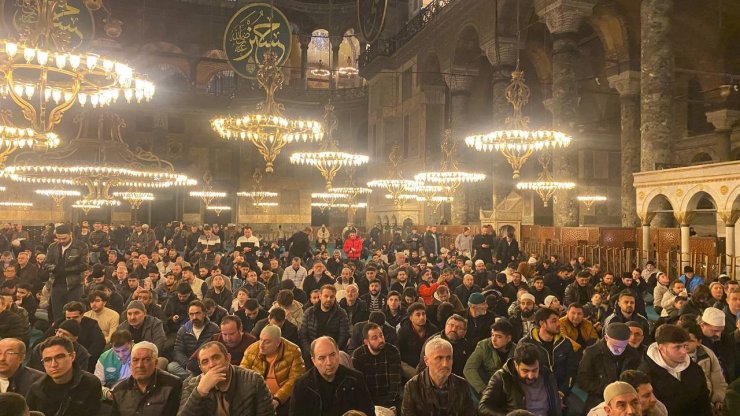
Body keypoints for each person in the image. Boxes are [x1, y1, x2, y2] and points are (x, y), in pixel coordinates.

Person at [179, 341, 274, 416]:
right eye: (205, 362)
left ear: (228, 359)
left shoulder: (254, 380)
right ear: (201, 368)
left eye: (216, 358)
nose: (211, 365)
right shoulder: (190, 385)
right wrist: (200, 392)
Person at [290, 336, 375, 416]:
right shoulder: (302, 386)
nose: (329, 362)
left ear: (338, 353)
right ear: (314, 361)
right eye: (322, 358)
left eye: (332, 355)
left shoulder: (356, 379)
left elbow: (369, 413)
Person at [638, 324, 712, 416]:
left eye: (685, 346)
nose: (684, 351)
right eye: (677, 347)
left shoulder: (695, 369)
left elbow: (704, 403)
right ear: (661, 348)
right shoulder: (645, 374)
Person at [478, 342, 562, 415]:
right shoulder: (502, 377)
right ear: (515, 365)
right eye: (525, 371)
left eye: (534, 370)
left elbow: (556, 408)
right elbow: (483, 408)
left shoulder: (547, 375)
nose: (531, 376)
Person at [240, 324, 305, 416]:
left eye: (267, 342)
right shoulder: (251, 350)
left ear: (278, 342)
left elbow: (296, 379)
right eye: (261, 339)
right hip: (257, 396)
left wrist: (278, 399)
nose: (261, 345)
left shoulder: (293, 351)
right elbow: (242, 376)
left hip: (284, 399)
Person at [401, 336, 477, 415]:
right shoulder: (412, 386)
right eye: (439, 358)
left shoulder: (462, 385)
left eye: (448, 358)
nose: (445, 364)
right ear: (426, 361)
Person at [27, 336, 102, 416]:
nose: (54, 364)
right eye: (47, 360)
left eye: (59, 357)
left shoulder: (90, 383)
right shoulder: (36, 388)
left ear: (72, 357)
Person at [578, 323, 642, 410]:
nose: (619, 350)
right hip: (599, 398)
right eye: (615, 346)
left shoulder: (633, 354)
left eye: (622, 346)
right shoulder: (592, 353)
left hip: (626, 399)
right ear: (606, 338)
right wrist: (609, 390)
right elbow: (582, 380)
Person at [110, 341, 182, 416]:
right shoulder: (119, 390)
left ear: (156, 363)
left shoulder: (172, 385)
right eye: (135, 360)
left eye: (146, 360)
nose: (140, 365)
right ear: (130, 364)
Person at [519, 307, 578, 398]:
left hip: (561, 391)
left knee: (578, 410)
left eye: (558, 320)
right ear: (542, 323)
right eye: (554, 321)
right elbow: (520, 372)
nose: (559, 324)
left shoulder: (565, 343)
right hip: (534, 392)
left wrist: (562, 392)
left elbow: (572, 371)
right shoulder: (526, 344)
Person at [351, 322, 401, 408]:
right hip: (368, 399)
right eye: (375, 338)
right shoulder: (358, 355)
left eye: (381, 335)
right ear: (366, 342)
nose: (381, 340)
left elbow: (395, 383)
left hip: (389, 398)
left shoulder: (392, 351)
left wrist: (389, 403)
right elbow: (360, 385)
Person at [44, 224, 89, 321]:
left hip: (74, 285)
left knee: (74, 314)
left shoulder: (81, 246)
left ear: (70, 234)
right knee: (57, 315)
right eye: (58, 238)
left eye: (64, 238)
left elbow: (84, 265)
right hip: (56, 284)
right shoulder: (52, 247)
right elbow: (46, 264)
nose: (61, 241)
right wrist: (55, 268)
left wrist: (65, 270)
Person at [168, 300, 220, 379]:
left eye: (198, 313)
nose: (195, 317)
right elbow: (178, 351)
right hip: (189, 364)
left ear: (204, 314)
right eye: (191, 314)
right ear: (188, 316)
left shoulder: (214, 328)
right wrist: (188, 364)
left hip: (208, 362)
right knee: (171, 366)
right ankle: (196, 378)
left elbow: (217, 349)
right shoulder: (183, 330)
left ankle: (193, 379)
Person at [464, 317, 516, 396]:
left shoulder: (516, 350)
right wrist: (483, 389)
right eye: (492, 335)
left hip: (508, 387)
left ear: (508, 338)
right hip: (487, 383)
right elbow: (469, 369)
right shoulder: (483, 345)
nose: (494, 339)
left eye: (499, 336)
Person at [299, 285, 350, 363]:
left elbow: (343, 335)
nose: (328, 299)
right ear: (320, 296)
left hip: (332, 354)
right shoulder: (309, 312)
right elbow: (303, 334)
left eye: (332, 297)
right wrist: (311, 352)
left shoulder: (341, 313)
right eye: (326, 296)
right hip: (312, 354)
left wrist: (333, 352)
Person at [587, 369, 668, 416]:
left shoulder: (659, 409)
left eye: (635, 403)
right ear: (608, 410)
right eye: (622, 405)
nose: (630, 411)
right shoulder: (597, 414)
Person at [95, 330, 133, 400]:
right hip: (114, 397)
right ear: (111, 346)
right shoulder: (104, 358)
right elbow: (96, 385)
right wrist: (107, 393)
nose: (121, 355)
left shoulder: (140, 354)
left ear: (131, 343)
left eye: (125, 350)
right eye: (117, 351)